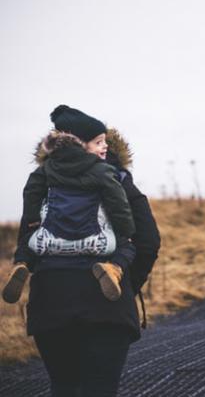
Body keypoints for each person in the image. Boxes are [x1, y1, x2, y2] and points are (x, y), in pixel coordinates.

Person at [6, 106, 161, 396]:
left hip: (50, 299)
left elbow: (28, 234)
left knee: (64, 386)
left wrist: (27, 263)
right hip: (105, 301)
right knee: (99, 387)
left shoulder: (42, 178)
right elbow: (148, 241)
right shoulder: (118, 180)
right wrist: (126, 282)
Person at [2, 105, 137, 303]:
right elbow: (118, 202)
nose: (106, 146)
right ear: (81, 144)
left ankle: (21, 265)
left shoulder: (47, 168)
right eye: (99, 142)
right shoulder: (102, 170)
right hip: (97, 244)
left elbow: (31, 190)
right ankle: (114, 269)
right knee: (127, 246)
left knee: (26, 242)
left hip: (46, 242)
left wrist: (32, 221)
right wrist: (126, 230)